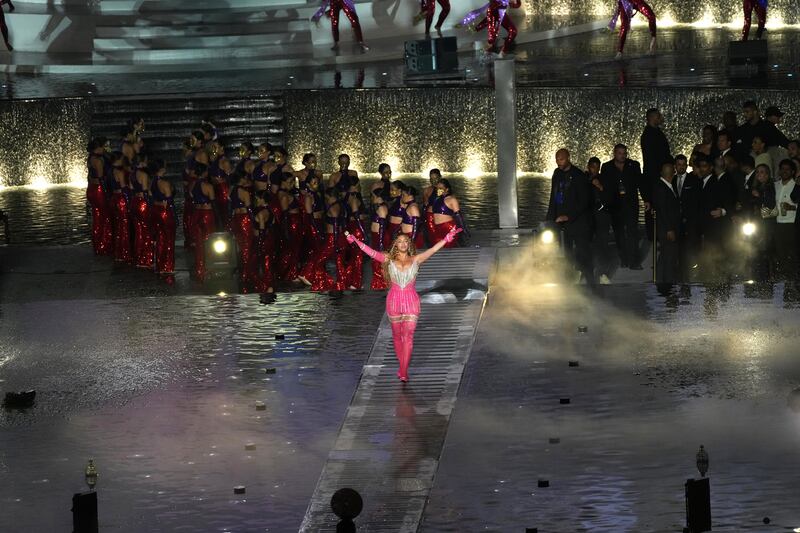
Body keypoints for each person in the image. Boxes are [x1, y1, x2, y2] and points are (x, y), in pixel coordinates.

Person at [346, 226, 462, 382]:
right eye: (399, 241)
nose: (402, 244)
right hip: (394, 301)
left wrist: (446, 239)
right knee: (397, 335)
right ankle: (402, 367)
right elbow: (371, 252)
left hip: (411, 301)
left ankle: (403, 371)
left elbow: (433, 250)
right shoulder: (388, 259)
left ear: (409, 244)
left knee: (408, 336)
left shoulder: (416, 259)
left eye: (405, 241)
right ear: (395, 244)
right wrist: (356, 241)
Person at [546, 149, 594, 284]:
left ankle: (591, 283)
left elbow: (584, 202)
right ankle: (568, 282)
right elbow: (553, 197)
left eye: (561, 159)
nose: (558, 162)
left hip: (578, 223)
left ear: (568, 158)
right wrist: (550, 219)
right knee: (566, 253)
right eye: (557, 159)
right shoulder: (557, 174)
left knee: (583, 253)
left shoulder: (578, 176)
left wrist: (568, 216)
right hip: (562, 224)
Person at [601, 144, 644, 269]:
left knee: (632, 233)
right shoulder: (607, 167)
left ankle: (634, 261)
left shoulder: (633, 165)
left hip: (631, 204)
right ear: (614, 153)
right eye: (620, 153)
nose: (623, 155)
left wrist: (646, 200)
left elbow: (640, 183)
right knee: (619, 234)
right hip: (615, 206)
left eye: (624, 153)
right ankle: (623, 259)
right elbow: (605, 187)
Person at [640, 108, 672, 242]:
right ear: (653, 117)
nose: (661, 118)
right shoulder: (649, 135)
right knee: (654, 206)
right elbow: (654, 158)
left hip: (657, 176)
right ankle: (654, 237)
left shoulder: (656, 133)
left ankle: (658, 235)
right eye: (659, 116)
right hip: (654, 177)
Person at [457, 0, 521, 57]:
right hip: (493, 11)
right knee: (491, 39)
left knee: (513, 31)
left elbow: (516, 5)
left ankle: (503, 52)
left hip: (501, 12)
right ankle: (487, 54)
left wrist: (514, 1)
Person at [651, 160, 681, 283]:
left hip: (667, 228)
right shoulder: (662, 188)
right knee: (668, 258)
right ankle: (667, 283)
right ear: (672, 173)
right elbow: (663, 210)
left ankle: (662, 281)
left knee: (665, 256)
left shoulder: (664, 186)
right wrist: (669, 229)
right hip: (667, 230)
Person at [747, 163, 777, 280]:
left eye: (762, 172)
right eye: (758, 172)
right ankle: (758, 280)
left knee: (764, 253)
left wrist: (759, 196)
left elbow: (770, 204)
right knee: (755, 253)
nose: (759, 174)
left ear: (768, 174)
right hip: (756, 224)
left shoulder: (769, 187)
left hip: (766, 225)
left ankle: (765, 282)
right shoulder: (756, 187)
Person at [588, 157, 615, 284]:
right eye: (593, 167)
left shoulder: (604, 179)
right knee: (589, 245)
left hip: (602, 218)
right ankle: (588, 270)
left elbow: (609, 196)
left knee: (603, 245)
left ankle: (602, 273)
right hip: (588, 219)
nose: (596, 170)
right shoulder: (583, 178)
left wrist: (600, 187)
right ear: (589, 167)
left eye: (597, 167)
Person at [190, 163, 218, 281]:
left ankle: (199, 270)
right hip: (207, 213)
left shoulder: (192, 184)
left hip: (197, 213)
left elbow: (191, 196)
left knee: (199, 243)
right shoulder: (208, 186)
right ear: (205, 172)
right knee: (209, 241)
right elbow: (213, 202)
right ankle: (209, 269)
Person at [86, 138, 113, 256]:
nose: (104, 149)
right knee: (104, 217)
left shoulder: (90, 158)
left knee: (96, 217)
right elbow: (102, 178)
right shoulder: (98, 160)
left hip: (91, 189)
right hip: (99, 189)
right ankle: (104, 245)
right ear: (98, 148)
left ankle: (97, 244)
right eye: (103, 147)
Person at [148, 159, 176, 276]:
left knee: (160, 238)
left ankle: (160, 265)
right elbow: (169, 201)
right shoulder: (164, 183)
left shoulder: (152, 182)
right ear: (162, 169)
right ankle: (168, 266)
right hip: (164, 212)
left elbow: (150, 195)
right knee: (169, 239)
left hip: (155, 210)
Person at [677, 154, 702, 281]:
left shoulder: (693, 180)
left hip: (690, 221)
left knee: (691, 247)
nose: (681, 167)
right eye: (679, 164)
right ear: (675, 166)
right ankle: (681, 272)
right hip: (677, 222)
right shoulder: (672, 178)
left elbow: (697, 201)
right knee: (680, 248)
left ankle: (693, 272)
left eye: (683, 164)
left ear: (686, 166)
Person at [230, 172, 255, 291]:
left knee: (241, 245)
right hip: (245, 218)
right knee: (247, 246)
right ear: (242, 179)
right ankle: (246, 273)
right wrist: (254, 224)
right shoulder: (245, 192)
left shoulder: (232, 190)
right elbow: (250, 209)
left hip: (236, 218)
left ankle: (243, 272)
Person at [774, 159, 797, 279]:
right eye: (782, 169)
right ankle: (785, 281)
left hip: (791, 224)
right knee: (780, 253)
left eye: (787, 169)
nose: (784, 171)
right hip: (777, 223)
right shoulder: (775, 185)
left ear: (793, 171)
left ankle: (792, 283)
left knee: (791, 254)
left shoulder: (796, 185)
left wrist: (791, 207)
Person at [132, 152, 154, 269]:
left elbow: (130, 188)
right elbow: (146, 191)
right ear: (141, 162)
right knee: (146, 230)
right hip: (143, 202)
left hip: (135, 201)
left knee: (138, 230)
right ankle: (146, 258)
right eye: (145, 161)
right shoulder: (143, 174)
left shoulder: (132, 174)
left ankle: (138, 257)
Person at [431, 178, 466, 247]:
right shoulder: (436, 199)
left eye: (441, 188)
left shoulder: (451, 199)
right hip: (436, 228)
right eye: (437, 188)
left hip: (448, 228)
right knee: (438, 249)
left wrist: (463, 228)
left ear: (447, 189)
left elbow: (458, 215)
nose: (438, 190)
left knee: (448, 248)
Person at [369, 187, 391, 289]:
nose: (371, 198)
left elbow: (382, 226)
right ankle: (379, 282)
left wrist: (381, 242)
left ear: (378, 197)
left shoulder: (382, 208)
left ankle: (381, 283)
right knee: (375, 259)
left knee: (379, 259)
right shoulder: (378, 207)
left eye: (373, 196)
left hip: (380, 236)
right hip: (376, 236)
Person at [422, 168, 442, 246]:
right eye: (431, 178)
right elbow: (425, 205)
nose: (433, 181)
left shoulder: (443, 189)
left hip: (441, 217)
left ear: (440, 177)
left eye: (436, 178)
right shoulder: (427, 190)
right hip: (430, 216)